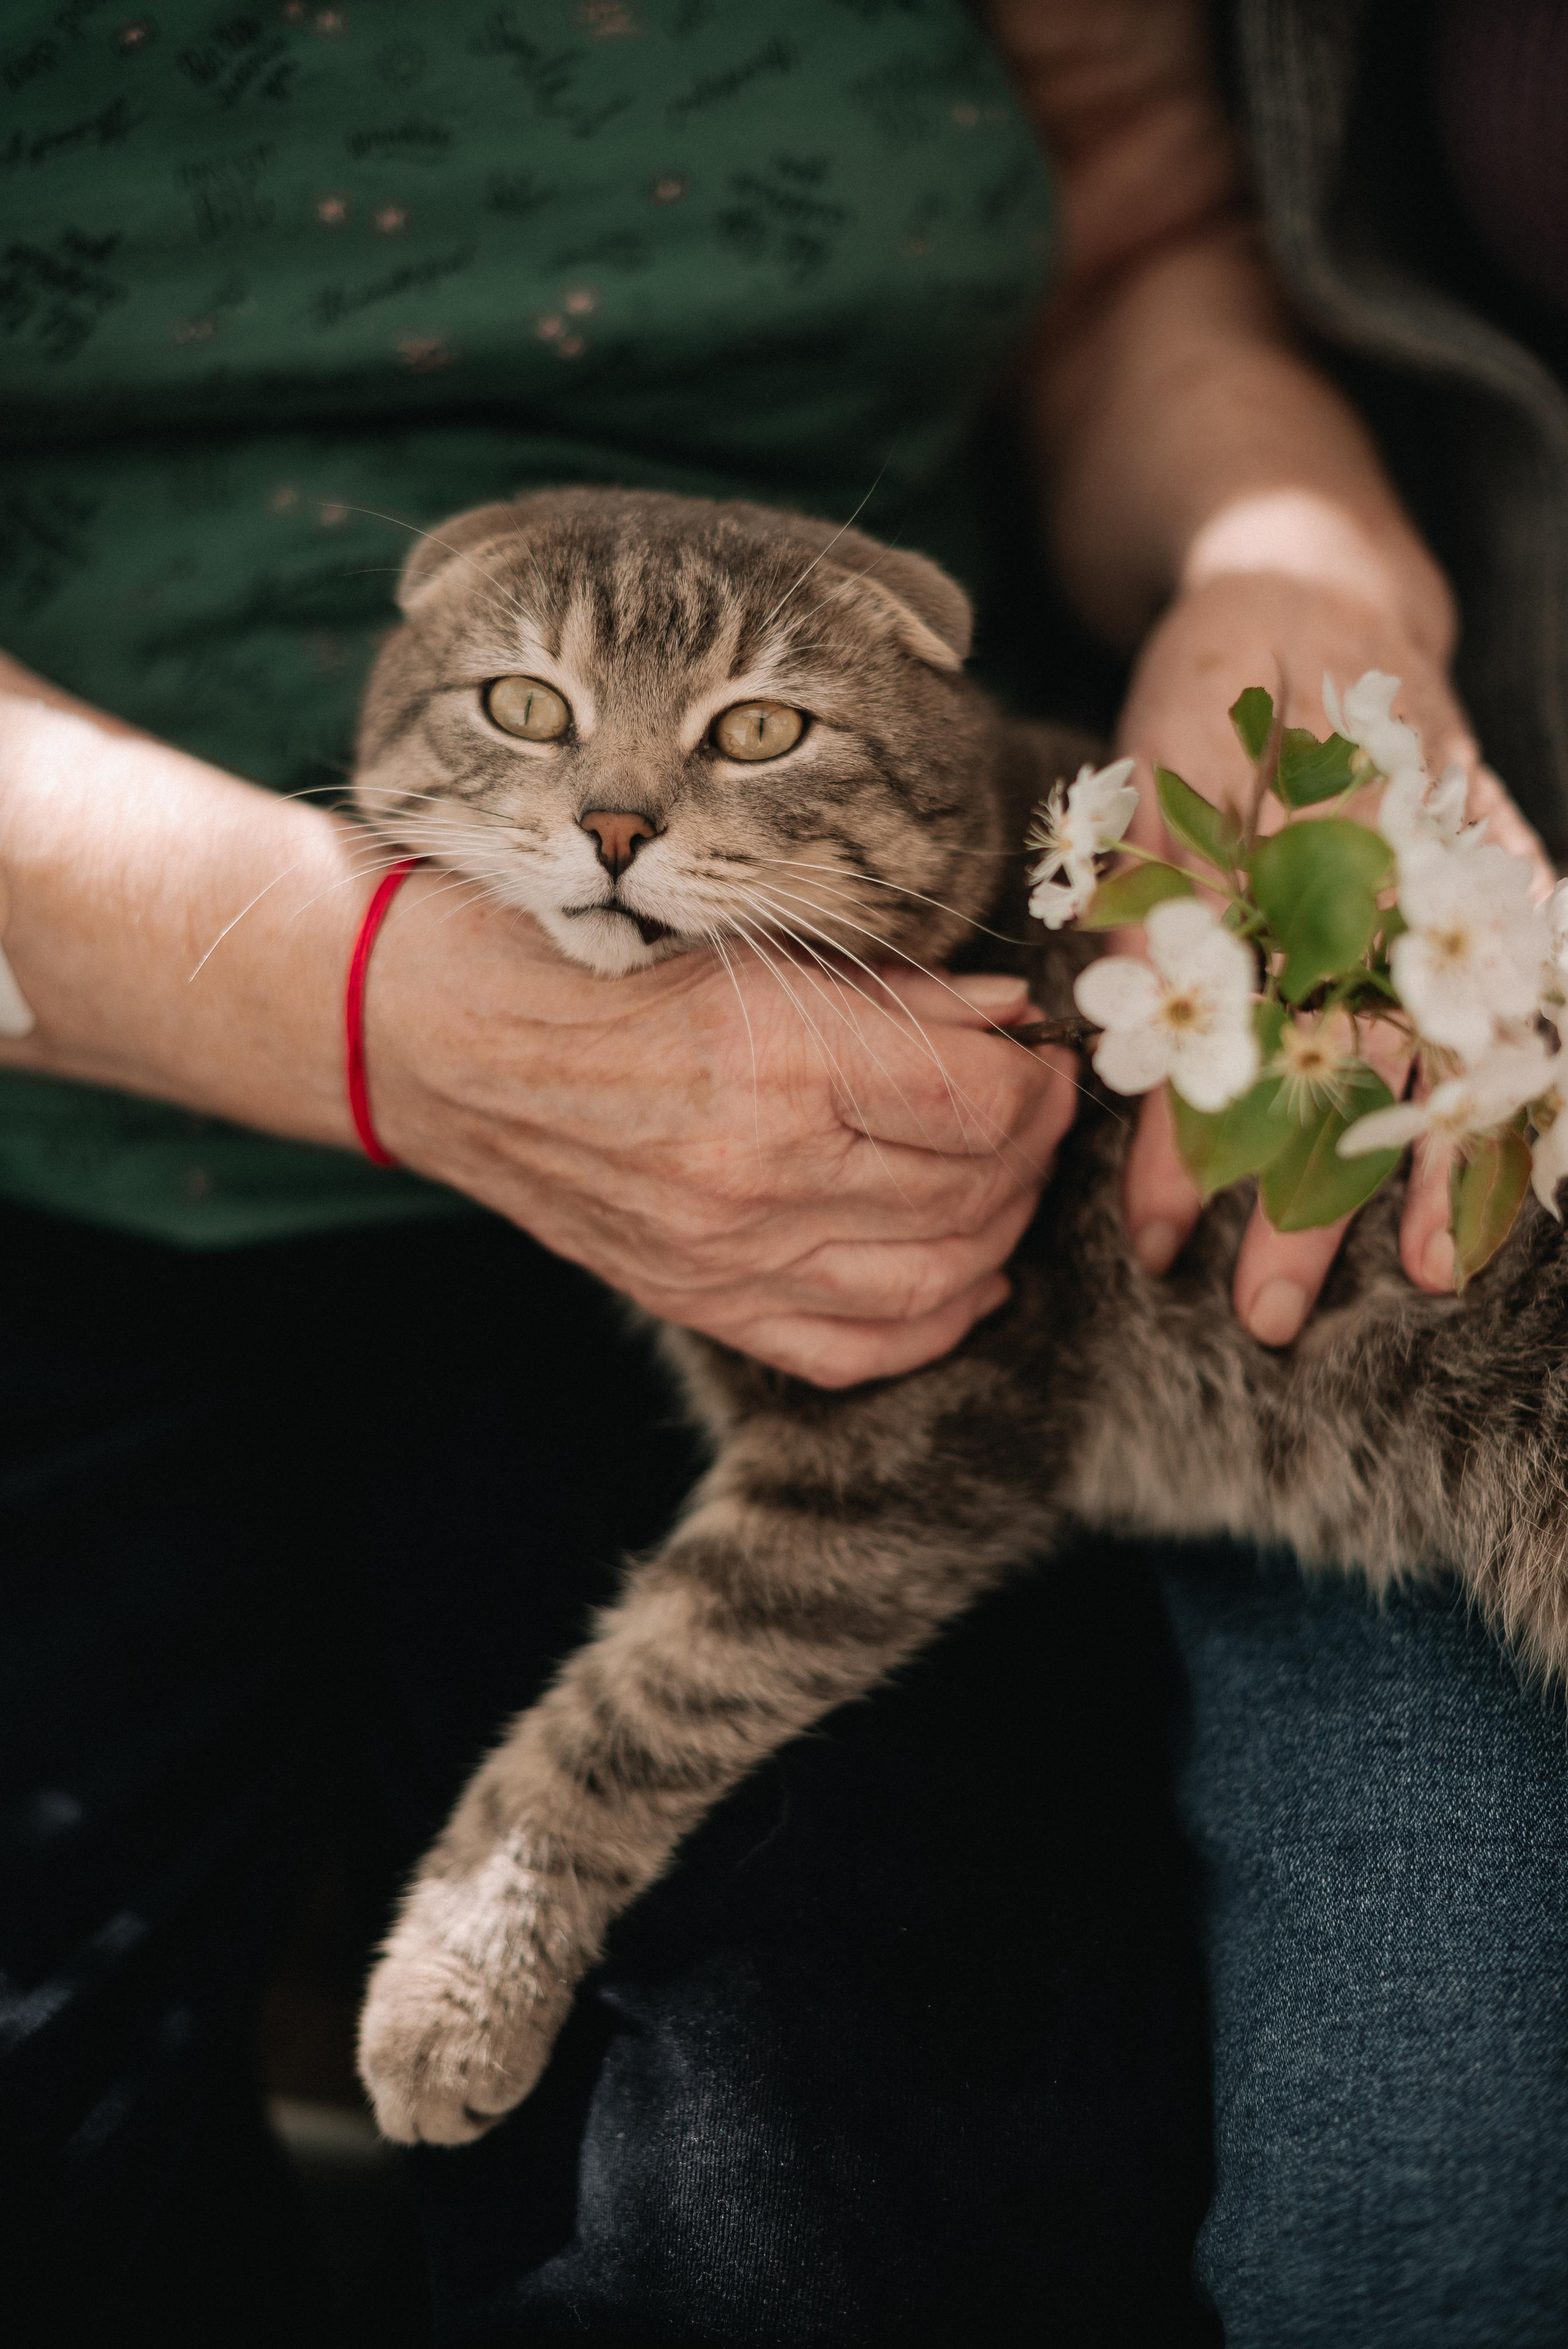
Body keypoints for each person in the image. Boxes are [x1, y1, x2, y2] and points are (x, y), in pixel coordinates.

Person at [4, 3, 1568, 2342]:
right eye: (540, 720)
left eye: (728, 740)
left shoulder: (960, 995)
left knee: (805, 2231)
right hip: (61, 1121)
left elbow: (1138, 230)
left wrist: (1298, 563)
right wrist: (355, 1000)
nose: (622, 812)